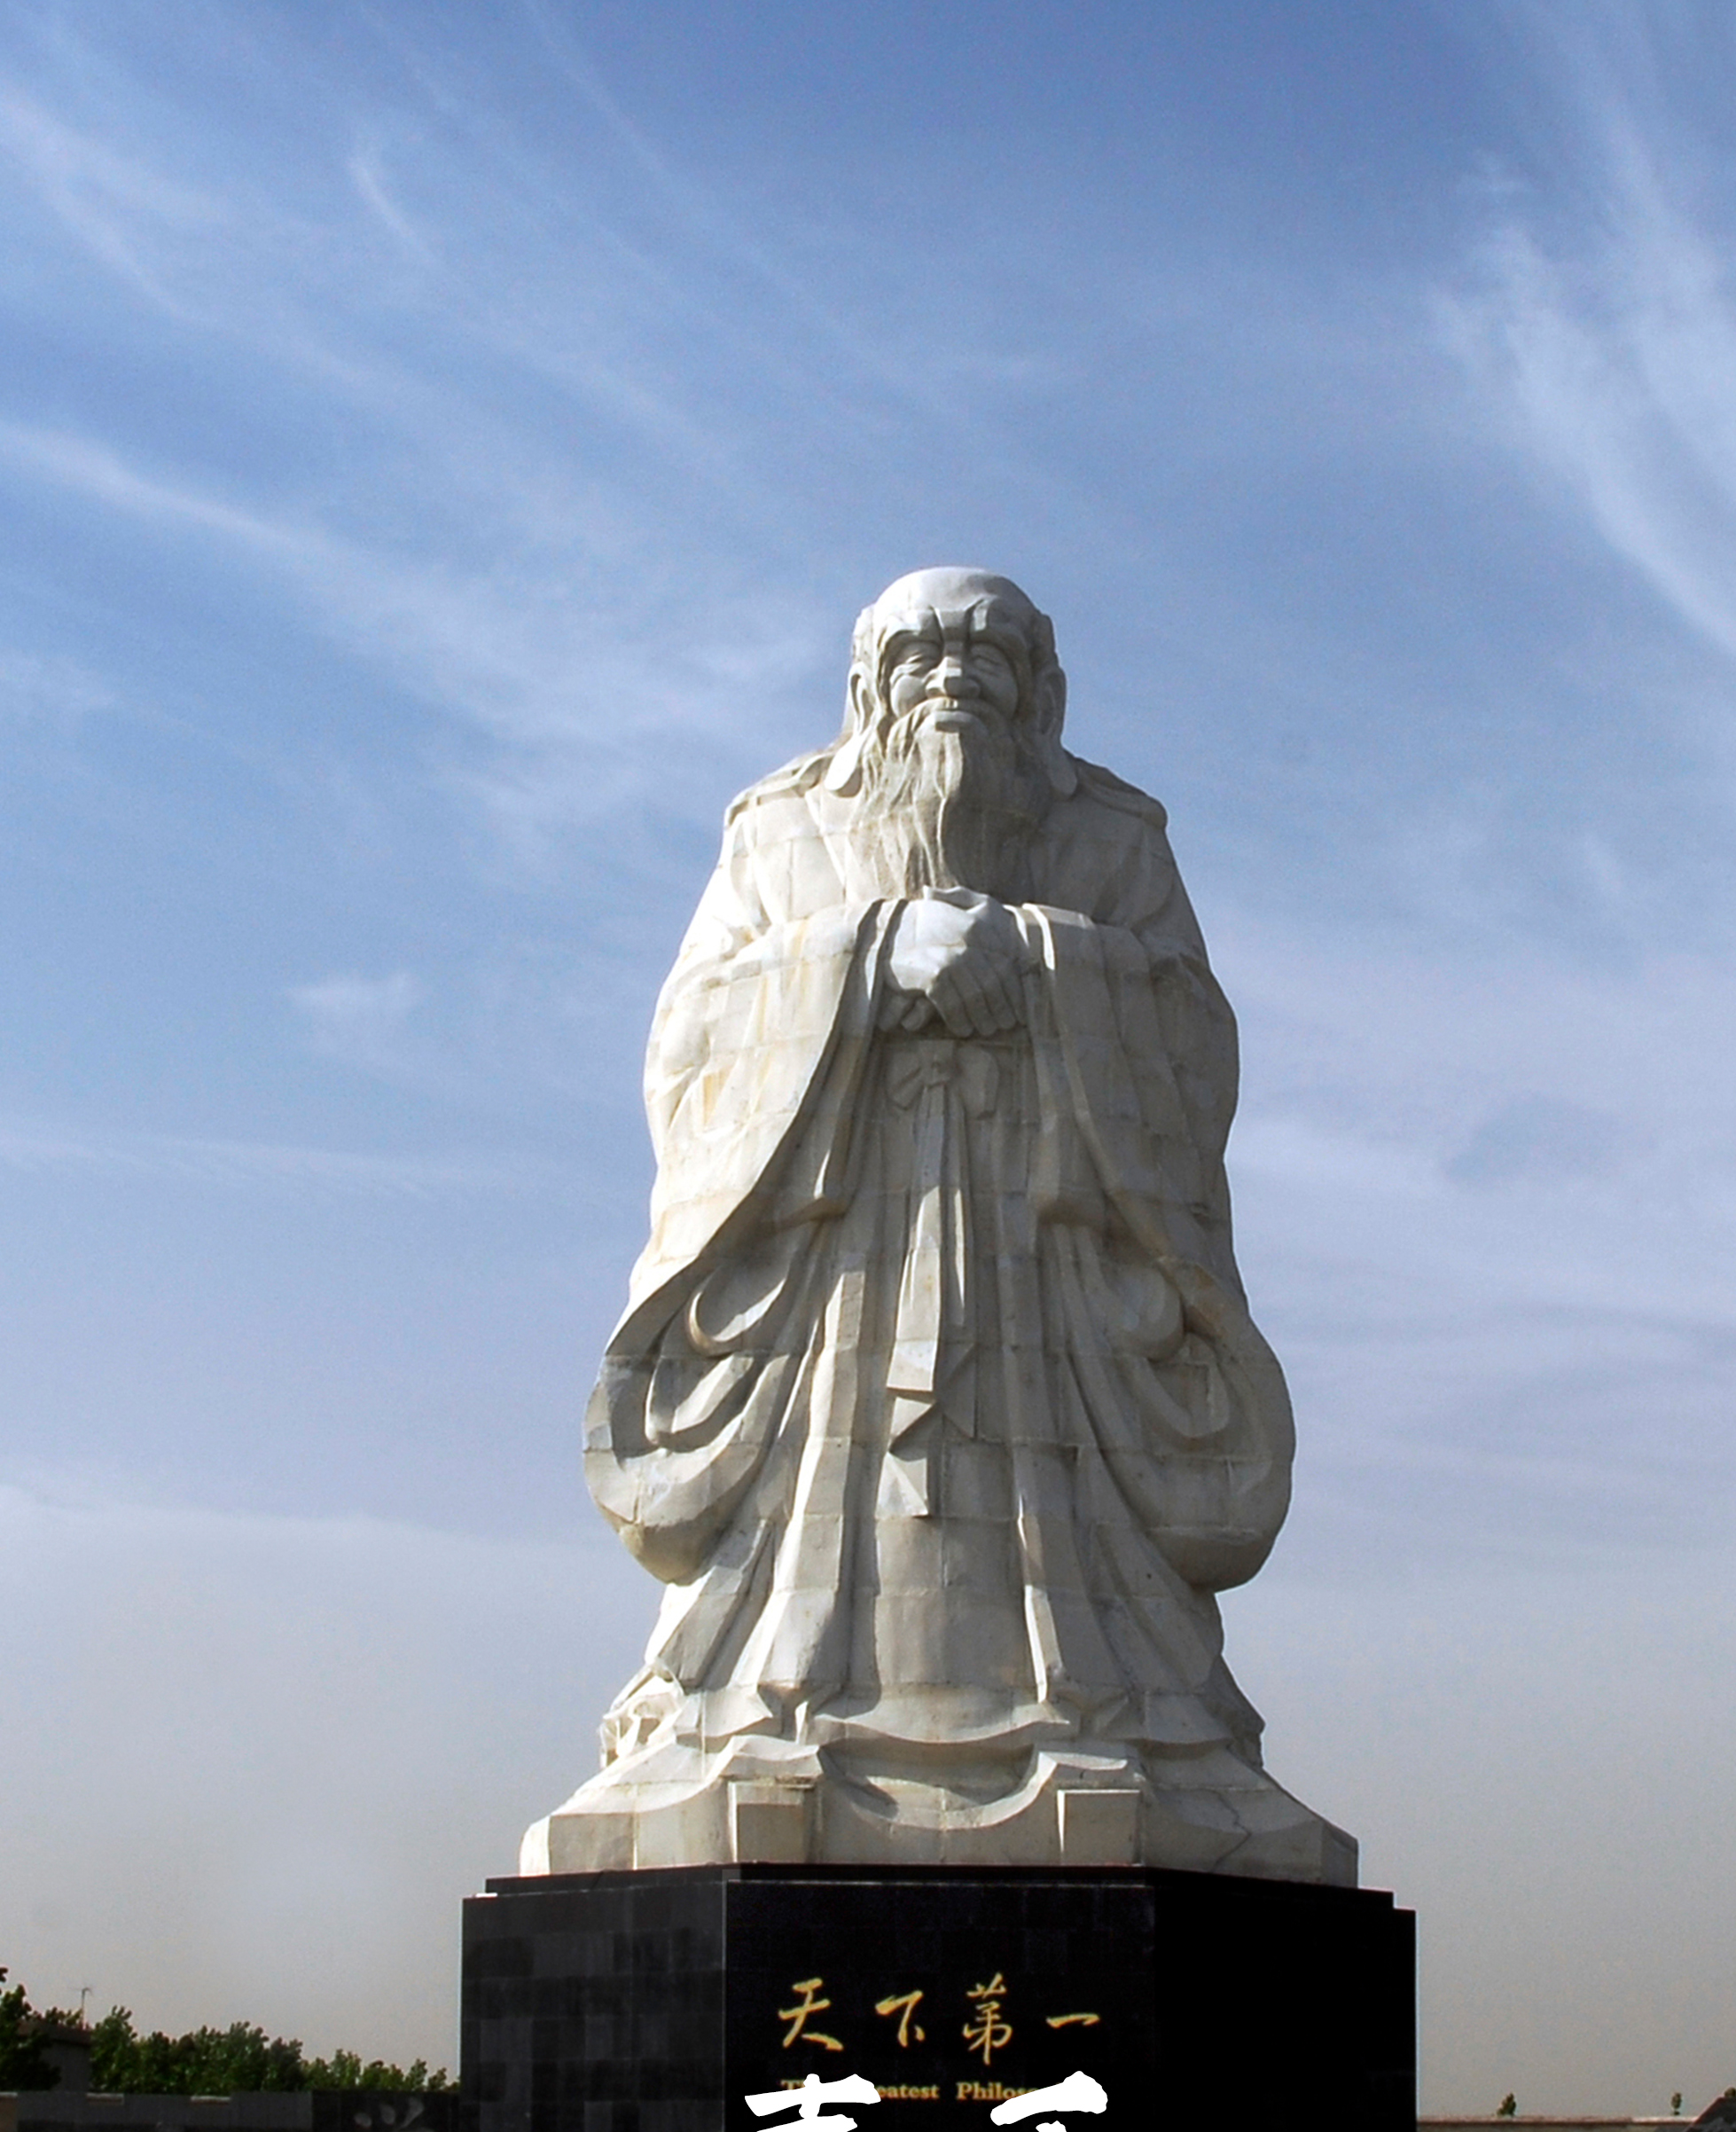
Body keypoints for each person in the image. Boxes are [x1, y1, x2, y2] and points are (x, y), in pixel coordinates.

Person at [523, 568, 1353, 1882]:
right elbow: (685, 1046)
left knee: (1064, 1547)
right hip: (838, 1267)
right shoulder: (777, 829)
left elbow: (1195, 1040)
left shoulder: (1115, 839)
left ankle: (1107, 1704)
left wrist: (1039, 963)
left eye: (988, 654)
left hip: (1047, 1268)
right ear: (866, 688)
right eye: (917, 655)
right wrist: (864, 959)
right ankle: (760, 1697)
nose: (951, 677)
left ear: (1043, 695)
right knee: (810, 1549)